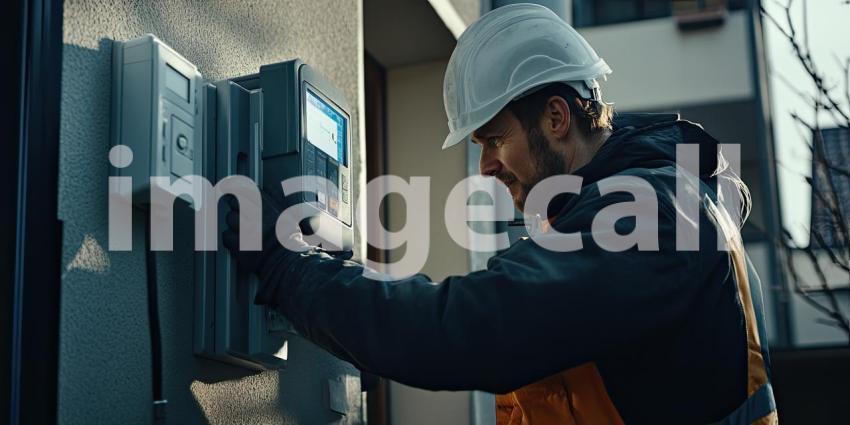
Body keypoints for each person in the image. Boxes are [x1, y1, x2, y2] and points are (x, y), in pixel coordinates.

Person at [224, 4, 777, 424]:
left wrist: (286, 267)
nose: (486, 166)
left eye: (493, 139)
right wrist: (354, 327)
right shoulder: (646, 204)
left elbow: (468, 329)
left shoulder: (650, 215)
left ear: (556, 118)